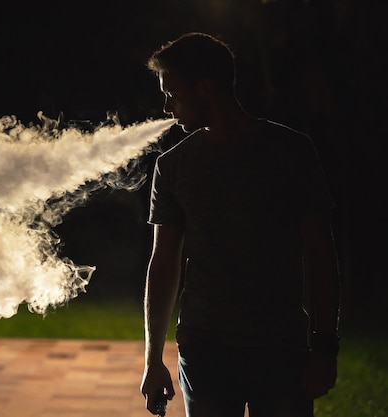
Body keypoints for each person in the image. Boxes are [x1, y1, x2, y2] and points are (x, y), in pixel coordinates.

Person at [139, 32, 341, 417]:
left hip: (281, 348)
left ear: (205, 88)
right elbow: (163, 264)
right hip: (204, 350)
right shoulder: (173, 166)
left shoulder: (292, 152)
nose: (166, 106)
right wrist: (153, 360)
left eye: (172, 93)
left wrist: (325, 347)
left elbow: (321, 254)